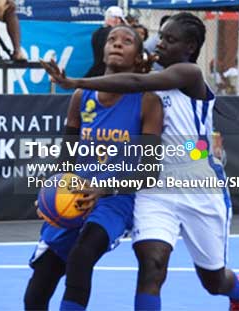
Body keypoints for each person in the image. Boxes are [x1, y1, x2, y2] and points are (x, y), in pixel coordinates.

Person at [41, 12, 239, 311]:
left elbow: (135, 80)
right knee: (151, 265)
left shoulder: (189, 75)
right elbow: (131, 78)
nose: (160, 44)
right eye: (160, 37)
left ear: (190, 47)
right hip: (155, 187)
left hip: (199, 186)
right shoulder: (150, 78)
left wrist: (73, 80)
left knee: (213, 280)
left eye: (170, 39)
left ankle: (238, 290)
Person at [24, 25, 163, 311]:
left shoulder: (148, 101)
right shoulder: (81, 97)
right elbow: (67, 159)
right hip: (73, 196)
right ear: (102, 50)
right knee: (36, 293)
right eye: (112, 39)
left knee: (81, 256)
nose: (117, 43)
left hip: (114, 200)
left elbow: (149, 172)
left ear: (138, 57)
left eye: (127, 41)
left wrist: (103, 189)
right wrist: (51, 192)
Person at [85, 6, 126, 77]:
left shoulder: (97, 32)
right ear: (117, 19)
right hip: (108, 74)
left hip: (96, 71)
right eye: (119, 19)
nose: (119, 22)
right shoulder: (114, 33)